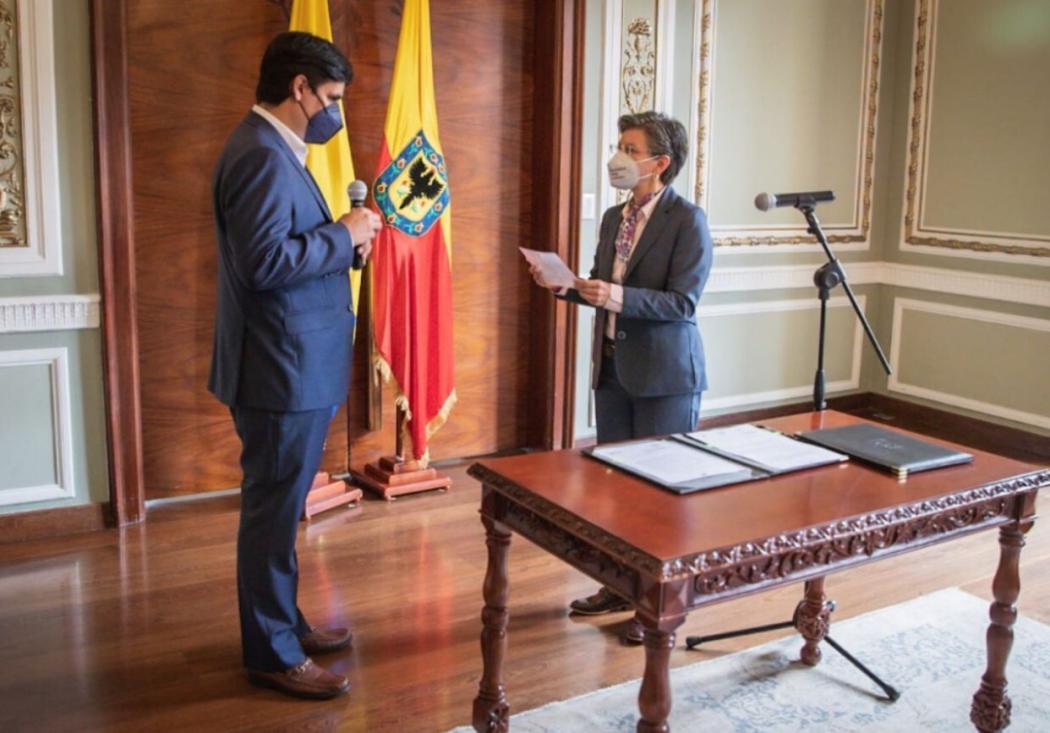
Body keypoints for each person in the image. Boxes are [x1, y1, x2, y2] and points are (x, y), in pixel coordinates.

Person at [209, 31, 382, 699]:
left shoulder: (277, 149)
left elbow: (282, 249)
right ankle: (272, 653)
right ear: (301, 88)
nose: (336, 112)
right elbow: (265, 264)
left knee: (279, 510)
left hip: (291, 361)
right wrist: (344, 235)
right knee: (272, 514)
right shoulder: (258, 154)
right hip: (278, 368)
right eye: (332, 97)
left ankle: (283, 623)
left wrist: (346, 238)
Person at [530, 111, 713, 644]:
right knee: (618, 490)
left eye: (629, 148)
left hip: (664, 376)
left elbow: (682, 303)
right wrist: (561, 284)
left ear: (660, 162)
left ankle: (660, 609)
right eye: (618, 145)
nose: (618, 157)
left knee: (661, 499)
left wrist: (615, 296)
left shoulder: (688, 220)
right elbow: (600, 286)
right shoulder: (615, 218)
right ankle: (618, 585)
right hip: (612, 368)